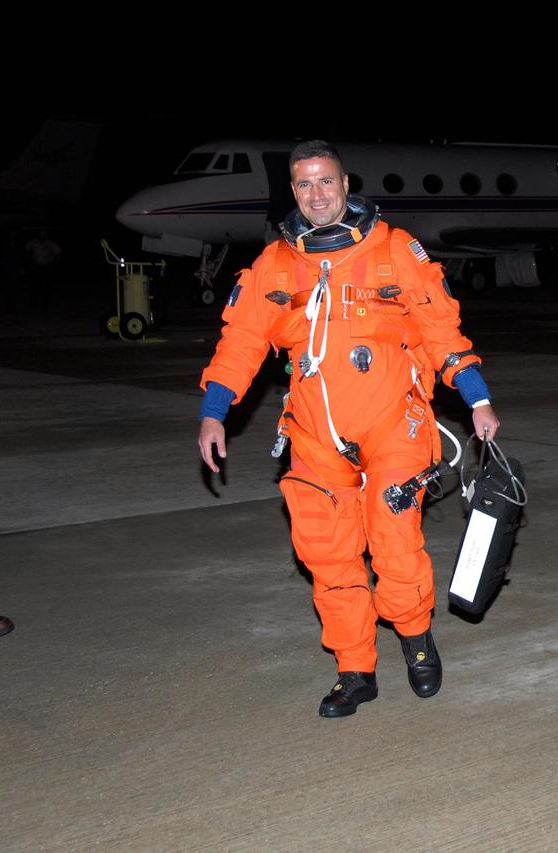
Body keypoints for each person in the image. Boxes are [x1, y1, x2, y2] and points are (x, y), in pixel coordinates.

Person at [197, 141, 500, 718]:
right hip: (315, 431)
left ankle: (415, 642)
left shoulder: (395, 252)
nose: (316, 195)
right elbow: (241, 343)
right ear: (293, 191)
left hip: (394, 422)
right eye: (305, 185)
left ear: (345, 184)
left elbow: (441, 330)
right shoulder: (276, 265)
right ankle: (354, 670)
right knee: (328, 554)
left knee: (394, 544)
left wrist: (477, 399)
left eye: (326, 183)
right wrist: (215, 410)